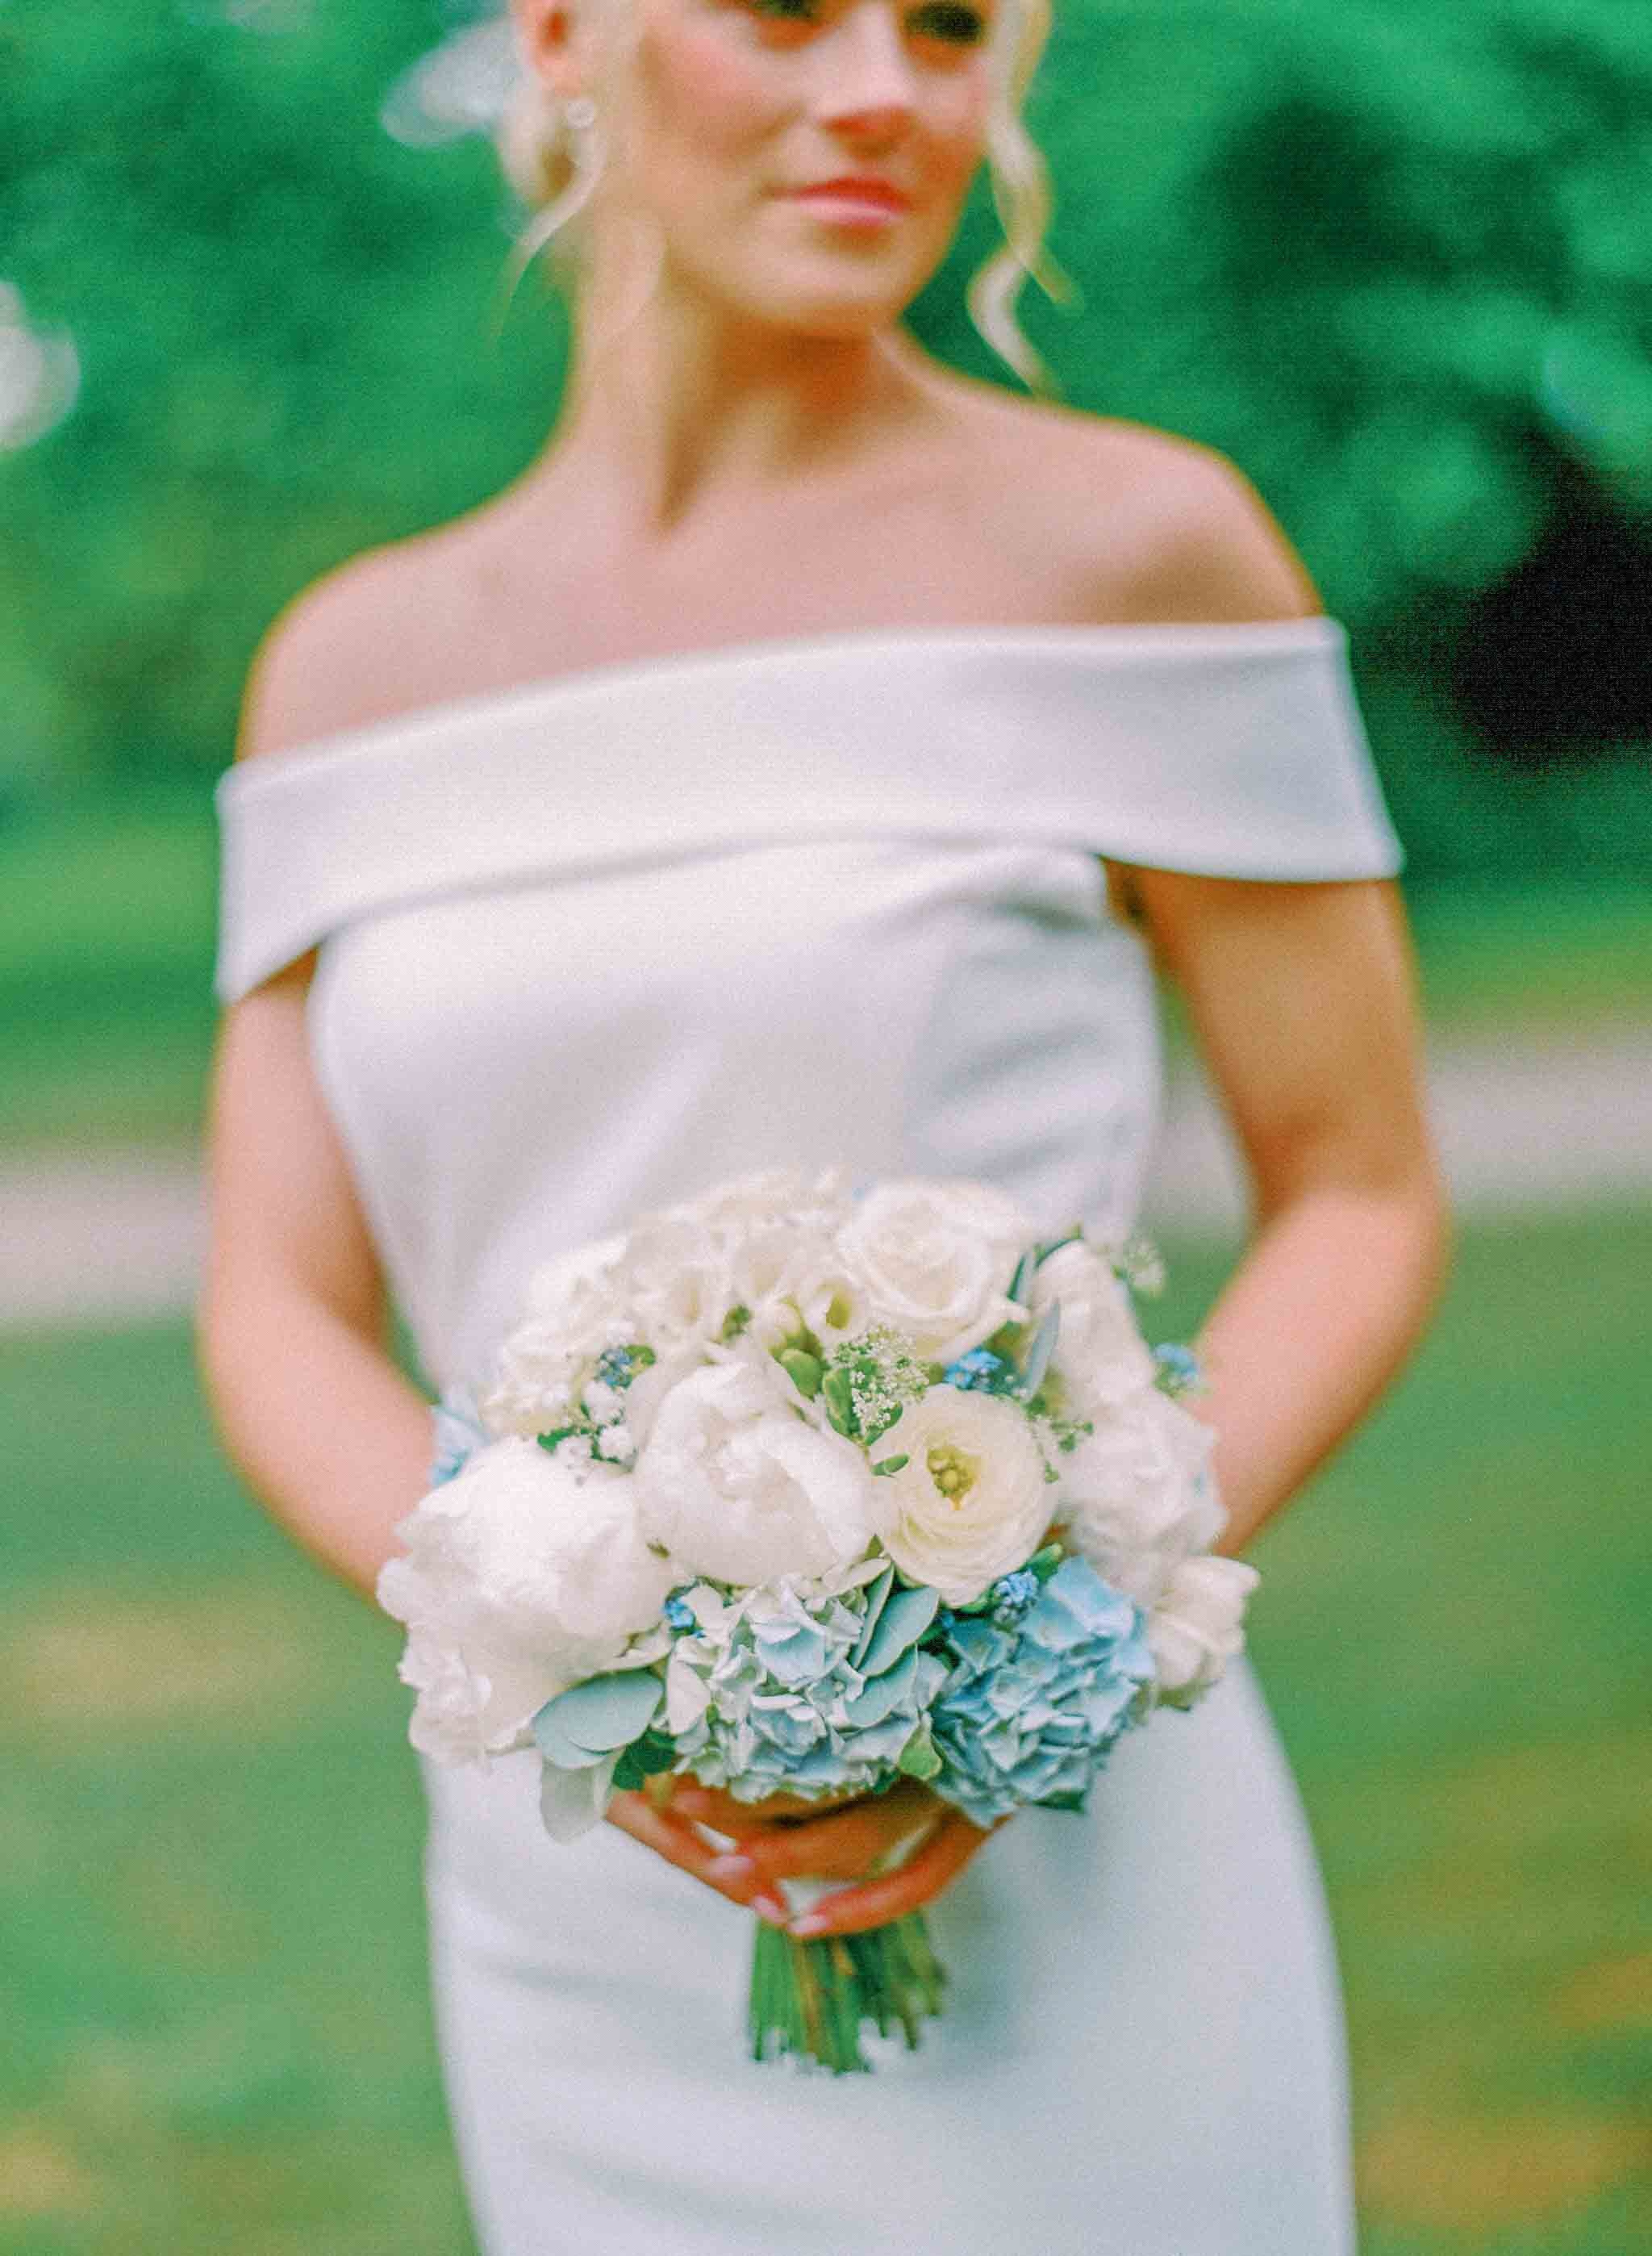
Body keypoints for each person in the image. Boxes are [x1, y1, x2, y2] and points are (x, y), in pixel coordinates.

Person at [198, 0, 1450, 2244]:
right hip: (580, 1885)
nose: (887, 88)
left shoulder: (1141, 555)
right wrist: (585, 1658)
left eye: (953, 25)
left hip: (1072, 1835)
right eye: (789, 7)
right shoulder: (345, 671)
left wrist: (1034, 1637)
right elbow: (274, 1303)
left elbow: (1358, 1189)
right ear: (560, 34)